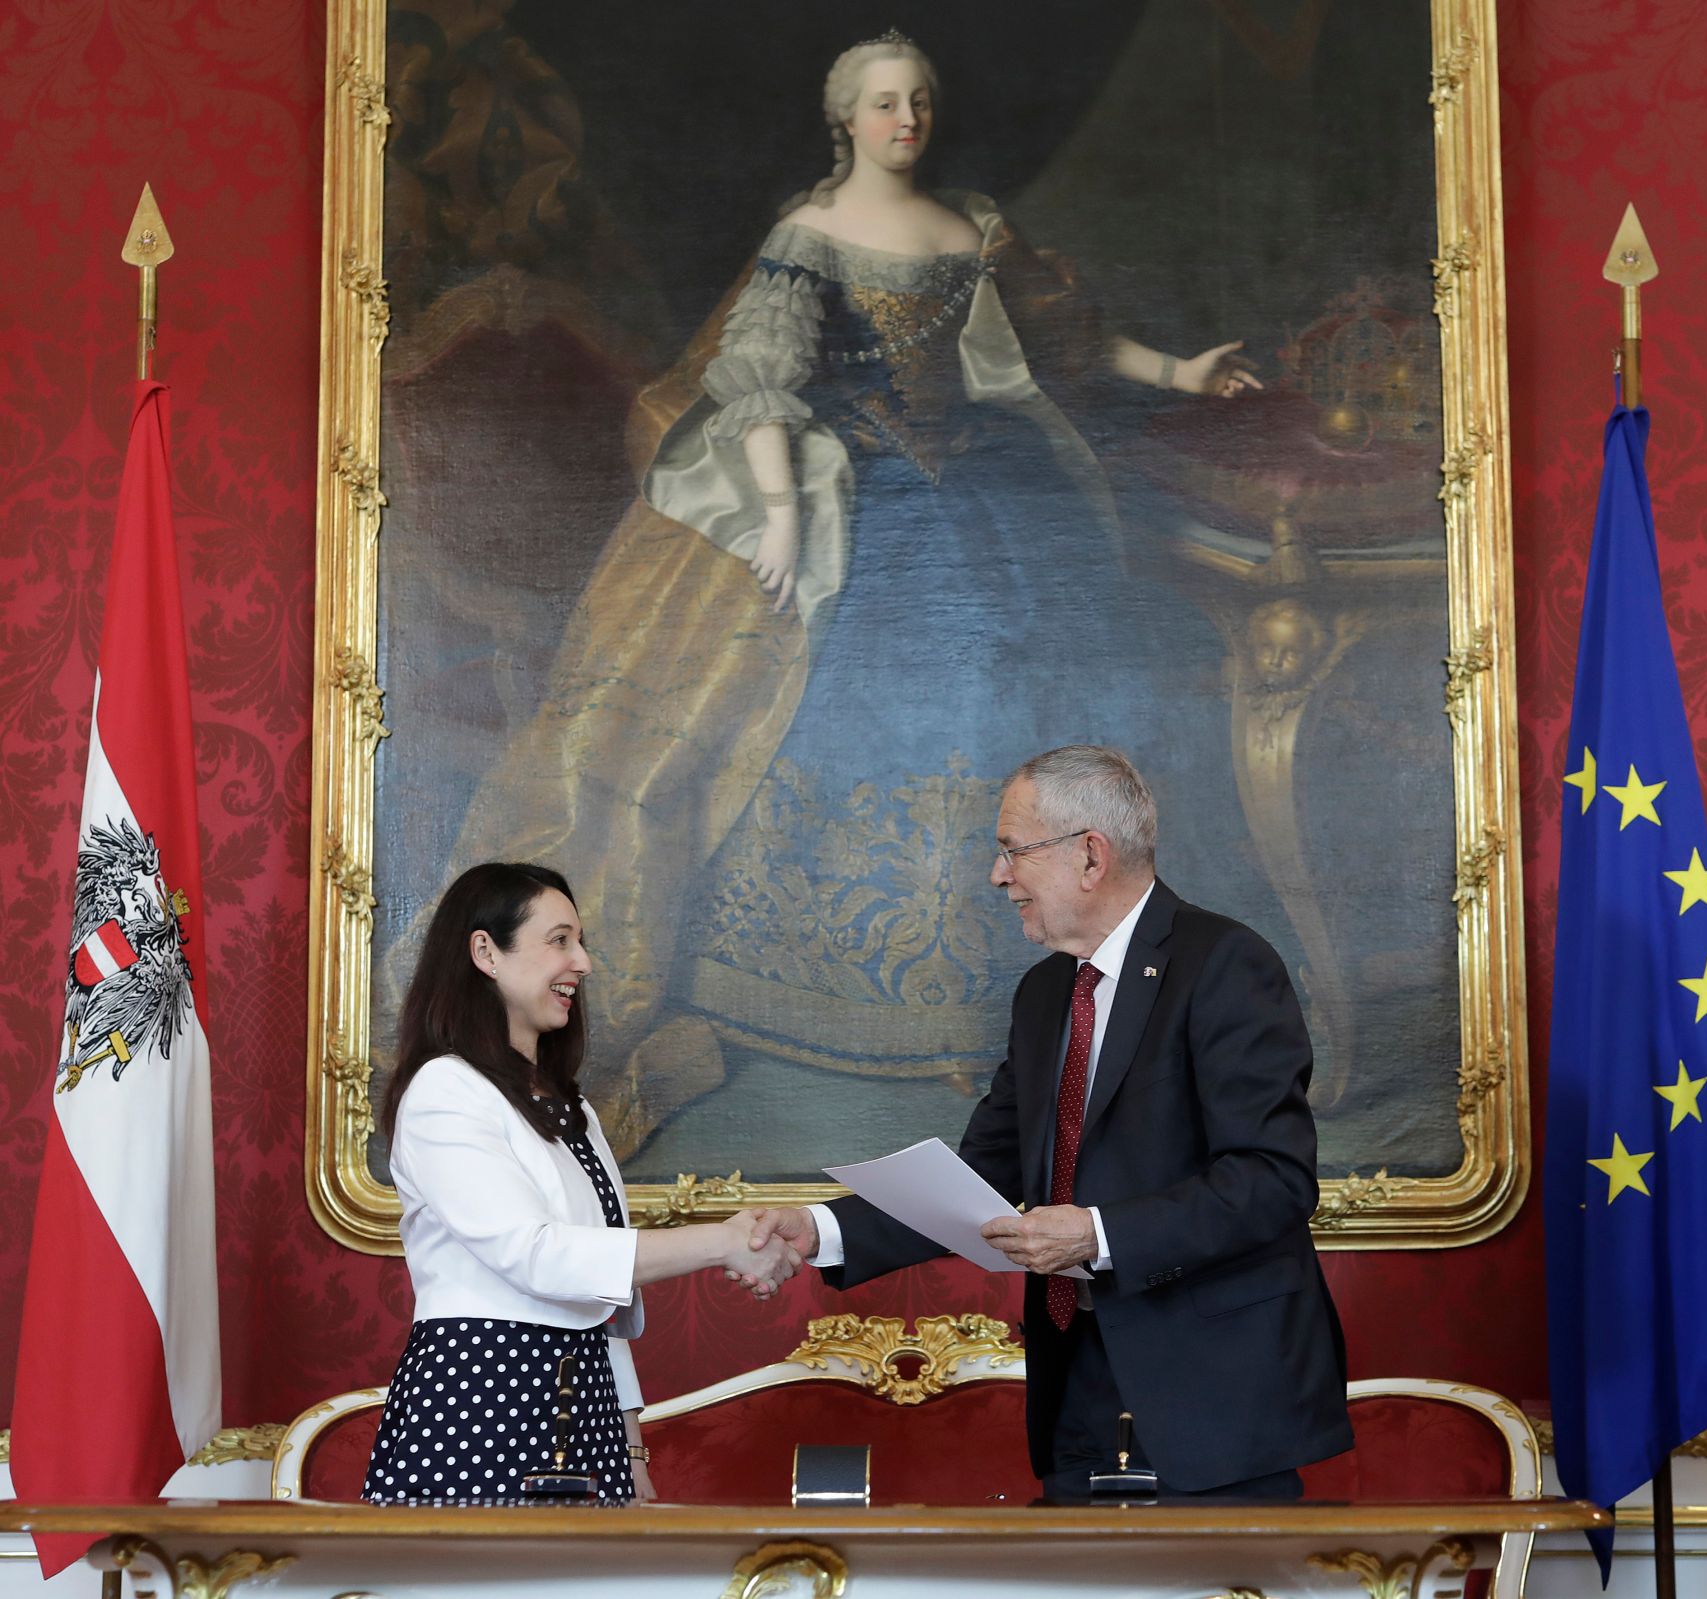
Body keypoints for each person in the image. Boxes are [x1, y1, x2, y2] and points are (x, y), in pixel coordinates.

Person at [416, 31, 1261, 1162]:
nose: (903, 118)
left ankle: (1018, 974)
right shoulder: (809, 237)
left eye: (916, 99)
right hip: (847, 484)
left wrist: (1179, 372)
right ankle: (814, 982)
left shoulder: (971, 225)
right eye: (880, 103)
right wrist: (776, 514)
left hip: (985, 481)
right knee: (894, 668)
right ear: (843, 120)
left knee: (1043, 669)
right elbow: (757, 382)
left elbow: (1060, 341)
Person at [747, 746, 1352, 1500]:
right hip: (1077, 1381)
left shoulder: (1225, 964)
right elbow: (977, 1177)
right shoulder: (1043, 995)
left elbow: (1274, 1179)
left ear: (1090, 857)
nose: (999, 876)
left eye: (1011, 851)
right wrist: (820, 1229)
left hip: (1213, 1395)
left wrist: (1097, 1234)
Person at [364, 862, 799, 1505]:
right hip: (481, 1404)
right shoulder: (445, 1091)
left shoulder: (571, 1107)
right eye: (559, 940)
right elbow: (540, 1257)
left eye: (581, 941)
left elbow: (598, 1297)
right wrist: (722, 1241)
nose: (584, 963)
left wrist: (631, 1451)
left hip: (585, 1408)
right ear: (485, 952)